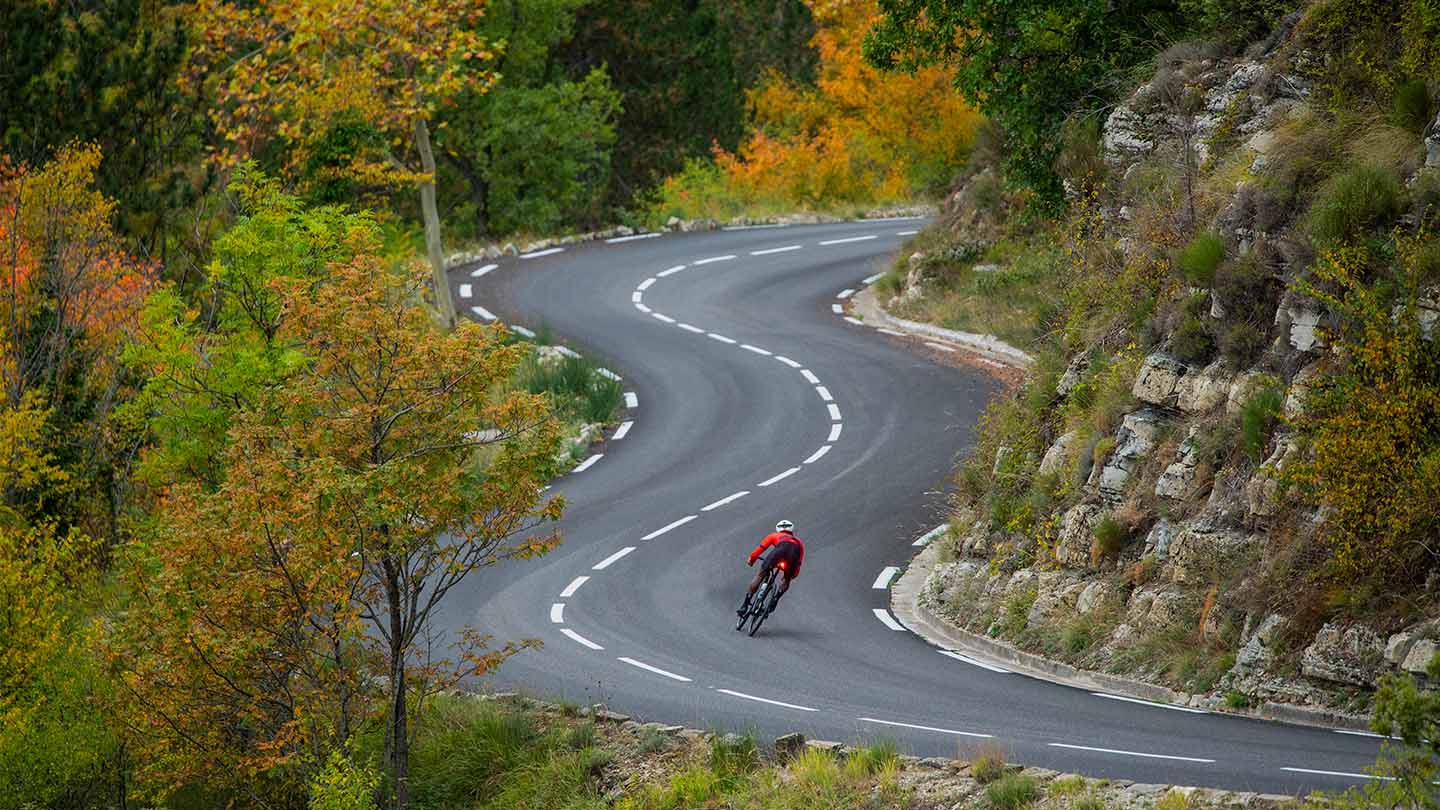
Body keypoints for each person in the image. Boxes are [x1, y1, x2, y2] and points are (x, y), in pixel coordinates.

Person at [737, 519, 805, 617]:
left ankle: (745, 605)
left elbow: (760, 549)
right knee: (786, 580)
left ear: (778, 529)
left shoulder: (774, 535)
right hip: (793, 554)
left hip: (779, 551)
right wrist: (792, 575)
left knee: (760, 575)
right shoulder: (799, 542)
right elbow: (799, 562)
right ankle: (775, 599)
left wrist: (751, 559)